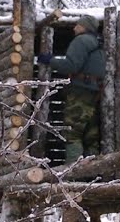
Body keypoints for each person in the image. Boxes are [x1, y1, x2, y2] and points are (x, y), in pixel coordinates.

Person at [37, 14, 105, 164]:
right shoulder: (98, 44)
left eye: (78, 25)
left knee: (72, 133)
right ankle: (92, 175)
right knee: (91, 137)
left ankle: (73, 173)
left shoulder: (81, 41)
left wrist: (49, 60)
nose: (74, 28)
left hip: (80, 93)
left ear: (84, 27)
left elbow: (71, 65)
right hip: (95, 94)